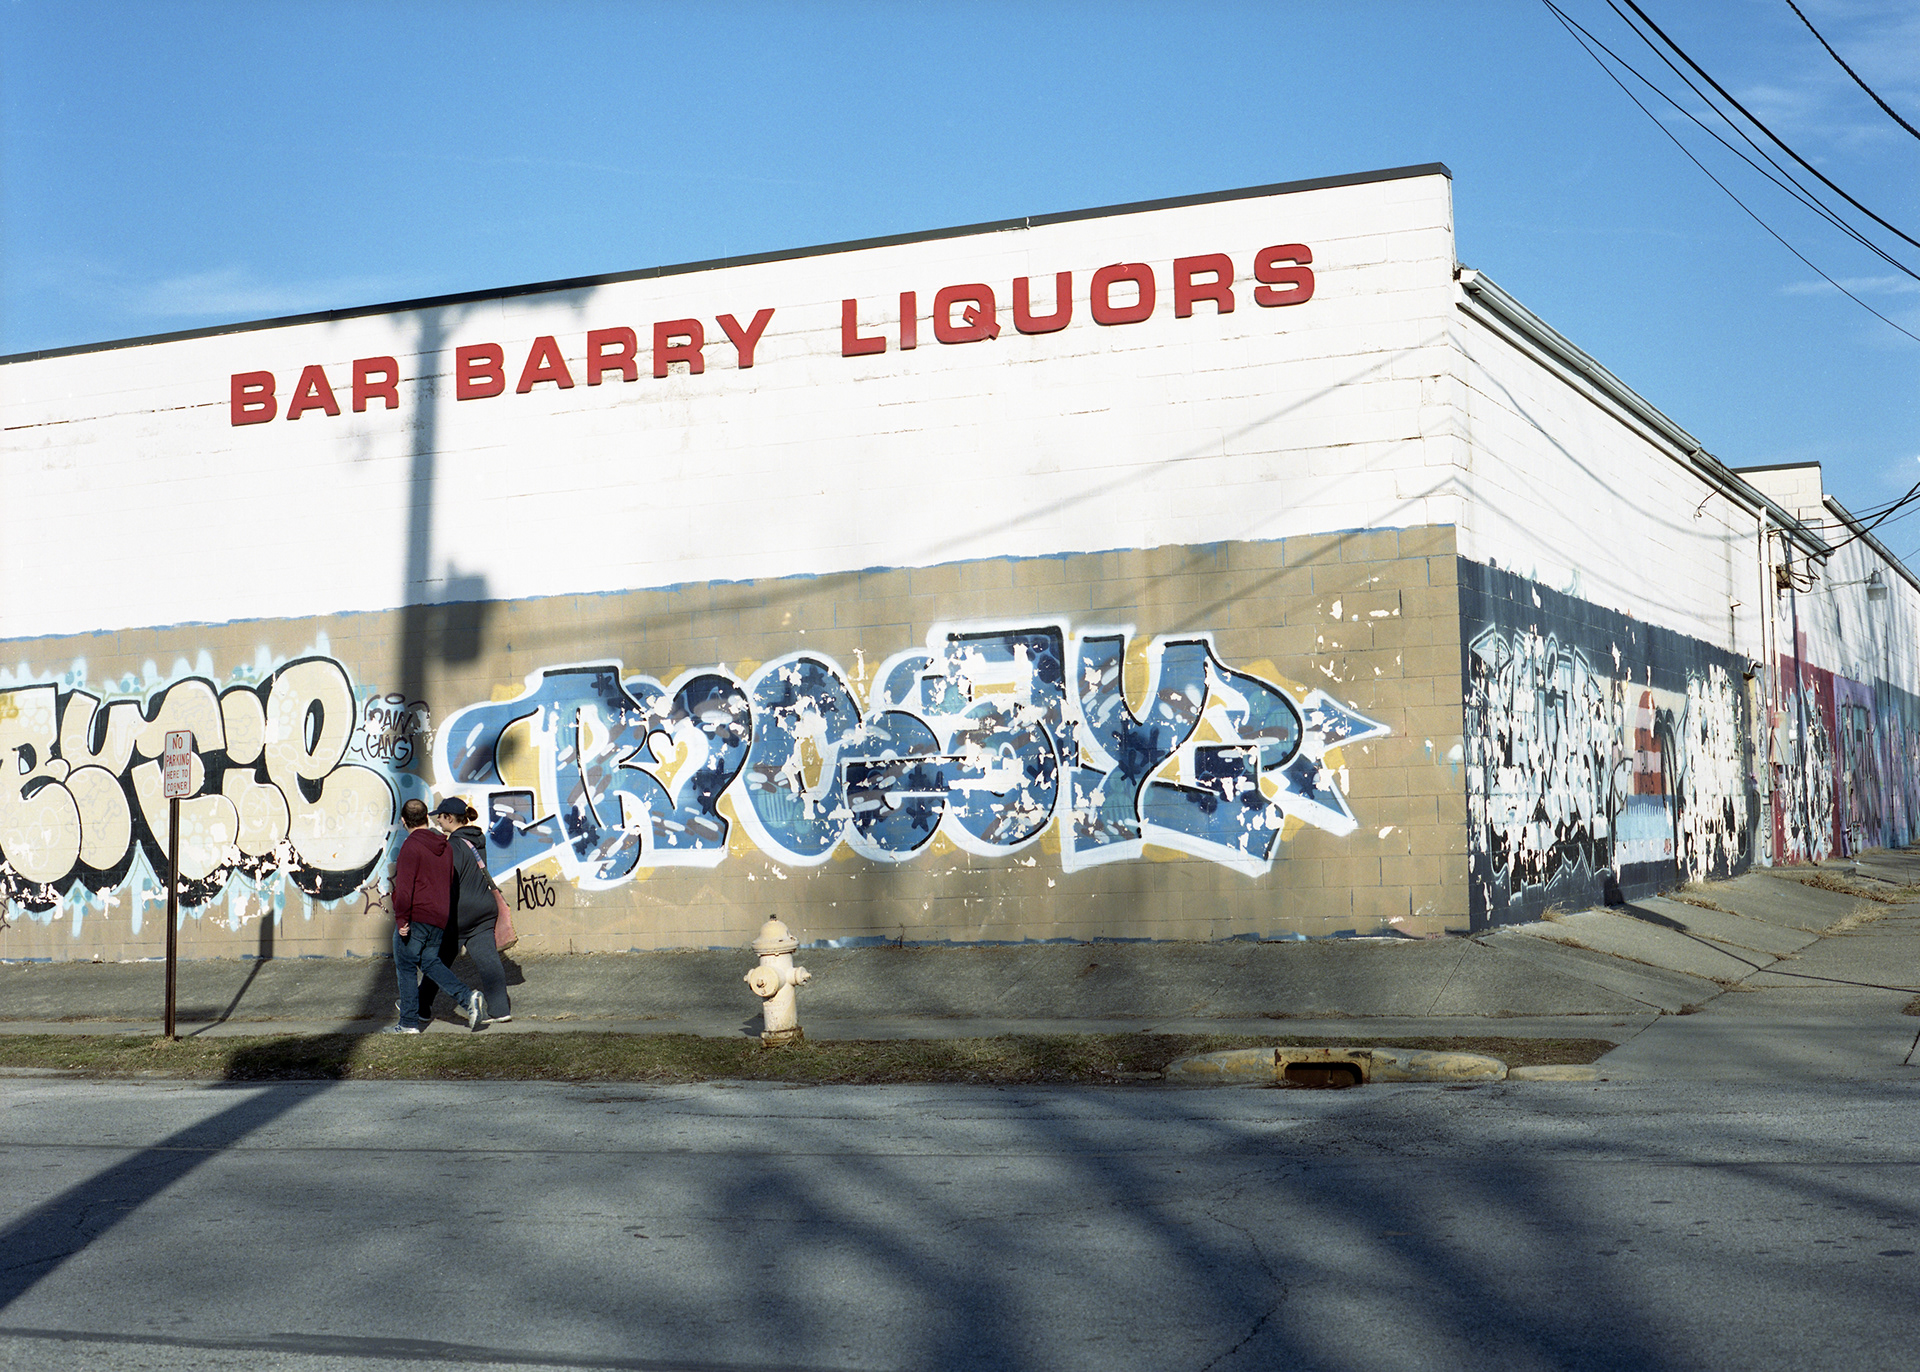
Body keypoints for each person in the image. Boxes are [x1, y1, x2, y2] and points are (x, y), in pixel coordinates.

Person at [387, 797, 484, 1033]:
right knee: (430, 962)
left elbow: (405, 889)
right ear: (426, 818)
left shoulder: (411, 846)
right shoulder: (445, 846)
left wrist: (402, 920)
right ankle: (467, 998)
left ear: (404, 821)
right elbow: (447, 882)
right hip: (439, 918)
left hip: (416, 917)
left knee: (406, 965)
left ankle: (408, 1023)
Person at [416, 797, 513, 1026]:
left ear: (450, 818)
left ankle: (420, 1007)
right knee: (488, 961)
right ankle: (500, 1010)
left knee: (436, 961)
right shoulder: (476, 839)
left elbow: (446, 879)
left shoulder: (453, 845)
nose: (438, 821)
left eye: (440, 817)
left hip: (460, 914)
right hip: (483, 910)